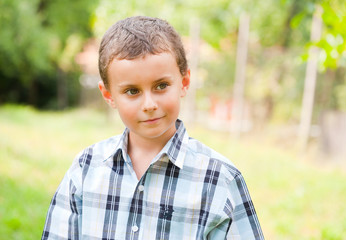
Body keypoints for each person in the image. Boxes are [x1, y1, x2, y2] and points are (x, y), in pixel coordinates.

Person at [42, 16, 264, 240]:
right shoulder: (86, 169)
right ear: (109, 95)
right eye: (132, 91)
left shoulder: (219, 179)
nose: (149, 105)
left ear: (184, 82)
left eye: (161, 86)